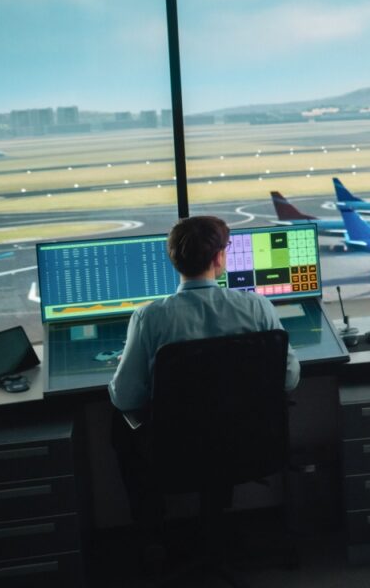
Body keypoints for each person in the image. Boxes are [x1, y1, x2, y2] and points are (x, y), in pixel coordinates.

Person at [108, 216, 301, 532]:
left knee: (121, 423)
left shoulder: (150, 317)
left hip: (176, 453)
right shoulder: (257, 308)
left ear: (174, 260)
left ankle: (152, 535)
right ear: (218, 257)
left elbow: (125, 396)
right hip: (246, 445)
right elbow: (290, 378)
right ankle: (215, 518)